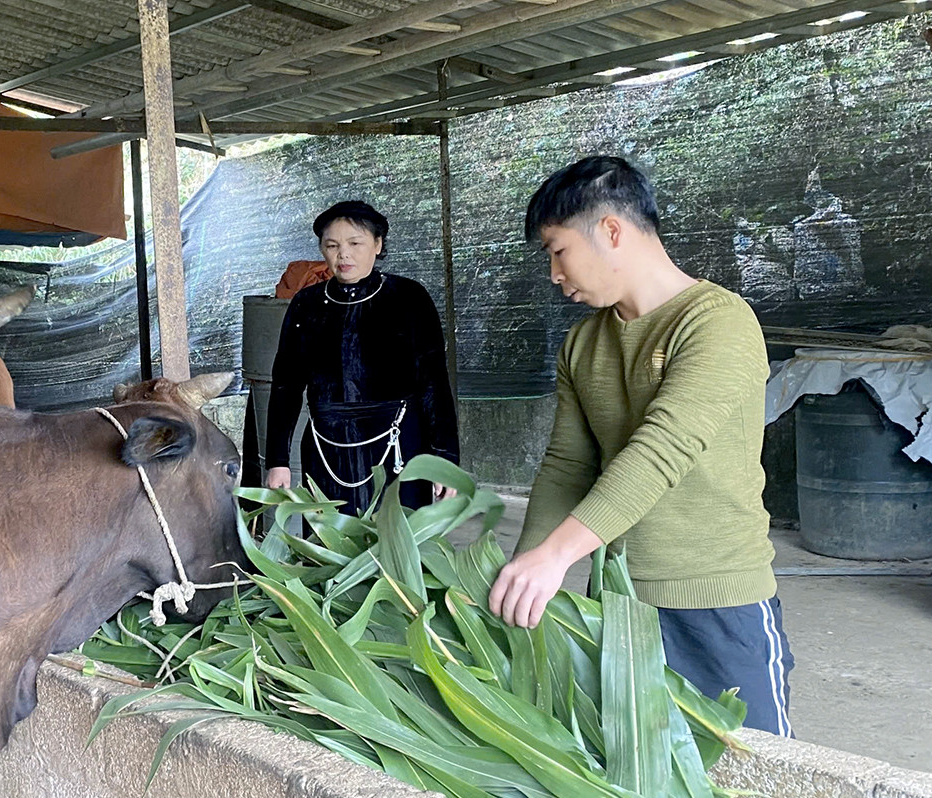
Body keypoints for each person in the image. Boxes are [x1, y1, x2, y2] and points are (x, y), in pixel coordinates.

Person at [489, 156, 792, 736]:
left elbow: (660, 452)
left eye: (557, 250)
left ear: (610, 231)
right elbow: (567, 466)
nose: (553, 272)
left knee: (757, 780)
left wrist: (557, 556)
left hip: (717, 600)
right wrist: (522, 569)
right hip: (620, 605)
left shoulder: (717, 322)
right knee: (641, 781)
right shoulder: (582, 344)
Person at [263, 200, 459, 515]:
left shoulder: (409, 298)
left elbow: (434, 383)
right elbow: (285, 386)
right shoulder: (306, 305)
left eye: (355, 243)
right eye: (332, 245)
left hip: (398, 446)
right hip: (326, 448)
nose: (344, 254)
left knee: (398, 548)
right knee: (326, 549)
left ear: (378, 244)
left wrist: (445, 458)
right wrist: (278, 461)